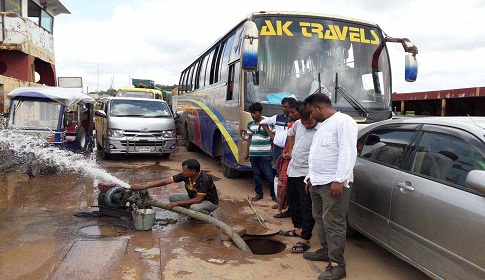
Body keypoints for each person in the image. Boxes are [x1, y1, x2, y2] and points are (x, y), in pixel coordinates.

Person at [302, 93, 358, 280]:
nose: (310, 116)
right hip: (318, 182)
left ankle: (337, 266)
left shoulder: (343, 121)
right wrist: (311, 177)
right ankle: (326, 251)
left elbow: (347, 151)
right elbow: (318, 153)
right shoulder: (323, 125)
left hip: (333, 183)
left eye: (311, 111)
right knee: (320, 218)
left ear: (319, 107)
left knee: (334, 223)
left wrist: (340, 179)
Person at [278, 106, 318, 254]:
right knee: (293, 201)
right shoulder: (297, 124)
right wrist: (290, 149)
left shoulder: (320, 128)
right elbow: (290, 133)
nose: (307, 125)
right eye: (304, 122)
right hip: (293, 169)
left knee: (306, 204)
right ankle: (298, 228)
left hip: (307, 173)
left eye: (309, 122)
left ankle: (305, 238)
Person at [130, 159, 218, 215]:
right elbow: (165, 181)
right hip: (193, 197)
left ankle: (206, 214)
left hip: (208, 202)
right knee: (173, 198)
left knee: (194, 207)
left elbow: (198, 200)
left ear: (193, 171)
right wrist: (144, 186)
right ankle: (192, 213)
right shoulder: (186, 175)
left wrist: (177, 204)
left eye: (184, 170)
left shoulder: (205, 179)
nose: (182, 172)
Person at [273, 101, 303, 218]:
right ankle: (290, 210)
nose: (290, 115)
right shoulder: (292, 125)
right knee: (289, 188)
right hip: (289, 160)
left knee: (296, 190)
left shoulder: (306, 126)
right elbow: (288, 143)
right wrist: (286, 152)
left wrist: (290, 154)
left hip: (298, 163)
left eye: (292, 112)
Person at [243, 102, 276, 202]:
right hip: (253, 154)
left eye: (255, 113)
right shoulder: (250, 124)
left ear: (260, 112)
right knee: (256, 174)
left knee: (269, 175)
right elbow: (249, 138)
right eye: (251, 113)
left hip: (265, 153)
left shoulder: (269, 123)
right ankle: (259, 193)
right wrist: (247, 153)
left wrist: (272, 151)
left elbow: (273, 139)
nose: (253, 115)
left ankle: (273, 195)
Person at [260, 97, 296, 164]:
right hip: (277, 149)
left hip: (290, 150)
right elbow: (263, 122)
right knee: (278, 169)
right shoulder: (278, 117)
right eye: (282, 107)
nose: (283, 109)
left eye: (285, 107)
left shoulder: (297, 120)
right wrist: (272, 135)